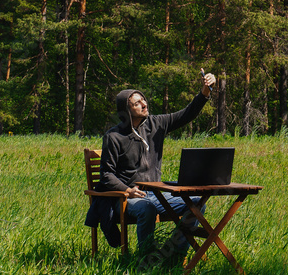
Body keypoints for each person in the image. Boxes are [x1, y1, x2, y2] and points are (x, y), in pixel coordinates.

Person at [86, 69, 216, 266]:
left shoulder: (156, 124)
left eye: (143, 100)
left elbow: (187, 114)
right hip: (126, 198)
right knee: (146, 208)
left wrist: (205, 92)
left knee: (197, 204)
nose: (144, 104)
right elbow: (106, 175)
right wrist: (127, 190)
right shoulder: (114, 137)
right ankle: (146, 261)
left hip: (157, 193)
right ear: (126, 110)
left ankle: (175, 256)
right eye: (137, 103)